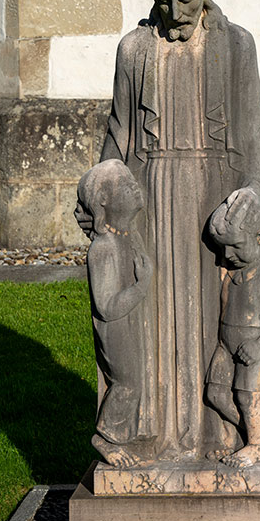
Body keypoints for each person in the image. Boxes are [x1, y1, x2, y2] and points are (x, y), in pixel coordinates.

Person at [76, 0, 260, 461]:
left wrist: (254, 194)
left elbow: (255, 140)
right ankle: (153, 439)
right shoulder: (133, 51)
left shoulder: (236, 47)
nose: (174, 12)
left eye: (185, 0)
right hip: (151, 206)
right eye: (163, 0)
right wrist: (97, 196)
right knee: (155, 326)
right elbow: (118, 136)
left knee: (213, 325)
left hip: (215, 202)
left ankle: (220, 438)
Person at [76, 160, 155, 467]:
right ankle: (105, 438)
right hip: (116, 329)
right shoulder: (103, 248)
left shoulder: (125, 236)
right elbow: (106, 308)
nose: (135, 188)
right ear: (104, 201)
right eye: (126, 186)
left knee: (135, 379)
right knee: (127, 382)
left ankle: (124, 437)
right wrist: (141, 286)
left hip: (130, 323)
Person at [206, 191, 260, 468]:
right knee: (216, 394)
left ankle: (257, 447)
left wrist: (259, 346)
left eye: (236, 247)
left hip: (255, 347)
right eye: (223, 248)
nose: (228, 255)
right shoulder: (228, 269)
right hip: (226, 344)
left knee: (247, 397)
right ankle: (258, 434)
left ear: (259, 237)